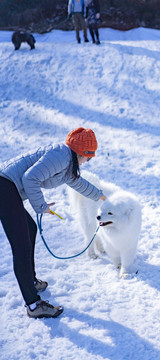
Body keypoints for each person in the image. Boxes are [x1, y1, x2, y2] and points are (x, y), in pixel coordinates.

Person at [0, 127, 106, 319]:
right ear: (81, 153)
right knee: (21, 248)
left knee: (30, 229)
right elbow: (30, 178)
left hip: (8, 189)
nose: (88, 162)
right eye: (89, 158)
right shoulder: (61, 156)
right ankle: (33, 305)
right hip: (4, 187)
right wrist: (41, 206)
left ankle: (30, 281)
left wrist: (102, 197)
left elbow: (79, 183)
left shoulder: (68, 164)